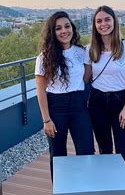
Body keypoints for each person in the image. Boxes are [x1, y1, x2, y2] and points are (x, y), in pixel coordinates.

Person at [35, 11, 94, 179]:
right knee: (58, 155)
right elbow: (40, 90)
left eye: (67, 26)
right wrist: (46, 120)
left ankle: (87, 189)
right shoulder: (44, 57)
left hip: (79, 107)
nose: (64, 31)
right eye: (58, 28)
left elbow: (86, 77)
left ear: (72, 29)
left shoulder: (81, 52)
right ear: (52, 33)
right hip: (56, 108)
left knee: (87, 151)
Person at [84, 5, 125, 171]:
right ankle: (109, 186)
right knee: (105, 149)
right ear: (94, 25)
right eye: (99, 21)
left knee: (124, 151)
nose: (103, 24)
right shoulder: (90, 49)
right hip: (97, 102)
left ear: (114, 21)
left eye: (107, 19)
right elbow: (86, 78)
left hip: (120, 101)